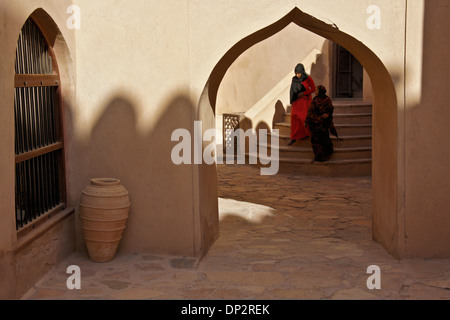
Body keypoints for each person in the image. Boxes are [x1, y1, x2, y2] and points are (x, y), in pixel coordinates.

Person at [305, 85, 337, 162]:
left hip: (323, 124)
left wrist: (327, 114)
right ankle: (318, 156)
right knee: (315, 140)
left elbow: (330, 109)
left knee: (323, 139)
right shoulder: (314, 100)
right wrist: (307, 121)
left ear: (321, 91)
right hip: (314, 123)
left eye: (316, 90)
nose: (315, 91)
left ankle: (325, 155)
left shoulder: (327, 99)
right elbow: (310, 111)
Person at [287, 63, 316, 145]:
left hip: (304, 102)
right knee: (294, 119)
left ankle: (309, 135)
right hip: (296, 102)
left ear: (302, 72)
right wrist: (292, 100)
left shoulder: (308, 78)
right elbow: (292, 91)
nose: (297, 75)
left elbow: (313, 89)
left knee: (304, 119)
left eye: (298, 73)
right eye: (296, 73)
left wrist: (304, 93)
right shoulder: (294, 79)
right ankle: (293, 137)